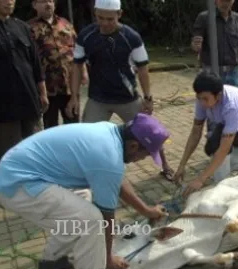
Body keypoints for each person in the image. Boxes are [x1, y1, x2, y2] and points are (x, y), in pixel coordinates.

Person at [0, 113, 169, 269]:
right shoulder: (107, 156)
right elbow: (106, 217)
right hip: (17, 184)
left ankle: (53, 261)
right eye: (146, 154)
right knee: (91, 220)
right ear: (133, 146)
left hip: (18, 173)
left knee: (82, 199)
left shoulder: (110, 133)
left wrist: (147, 211)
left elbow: (117, 181)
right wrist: (107, 258)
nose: (142, 160)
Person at [68, 0, 175, 181]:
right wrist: (74, 97)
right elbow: (77, 67)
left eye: (110, 19)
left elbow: (142, 68)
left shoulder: (131, 37)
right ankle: (84, 174)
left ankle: (165, 165)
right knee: (85, 137)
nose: (105, 23)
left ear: (119, 14)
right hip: (98, 99)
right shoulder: (86, 36)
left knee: (150, 132)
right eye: (100, 17)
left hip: (128, 99)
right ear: (95, 13)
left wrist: (148, 96)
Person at [173, 71, 238, 197]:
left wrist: (201, 179)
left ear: (218, 96)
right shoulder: (201, 101)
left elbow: (224, 148)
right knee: (213, 144)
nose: (202, 103)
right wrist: (182, 165)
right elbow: (195, 133)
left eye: (205, 99)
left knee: (216, 145)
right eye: (199, 98)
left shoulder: (231, 105)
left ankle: (221, 187)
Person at [0, 0, 49, 166]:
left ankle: (38, 190)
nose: (10, 1)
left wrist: (43, 93)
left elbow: (35, 64)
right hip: (2, 108)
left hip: (30, 102)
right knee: (9, 158)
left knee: (36, 152)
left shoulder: (23, 27)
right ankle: (8, 192)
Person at [28, 0, 88, 129]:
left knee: (73, 126)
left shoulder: (65, 24)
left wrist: (84, 72)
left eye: (50, 1)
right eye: (43, 1)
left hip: (69, 86)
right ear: (34, 5)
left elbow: (77, 50)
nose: (48, 4)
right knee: (51, 128)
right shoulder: (29, 28)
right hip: (47, 89)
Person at [191, 0, 238, 87]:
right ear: (216, 1)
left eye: (228, 1)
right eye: (222, 0)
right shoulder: (204, 17)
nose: (225, 4)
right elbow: (195, 44)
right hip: (211, 72)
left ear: (233, 1)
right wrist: (195, 45)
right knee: (214, 100)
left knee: (235, 100)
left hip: (233, 72)